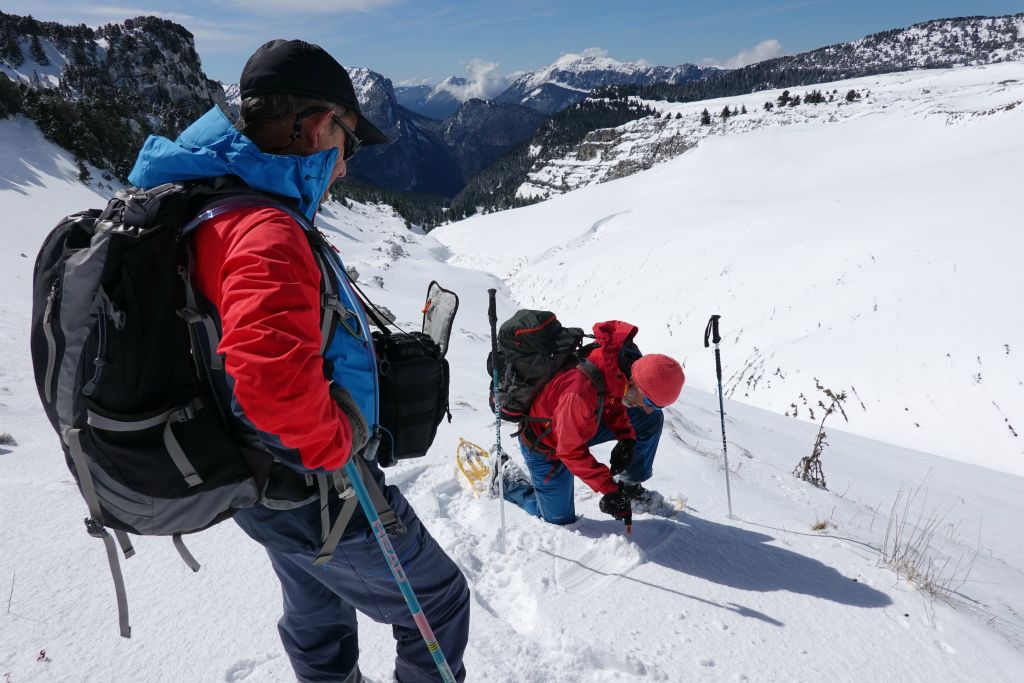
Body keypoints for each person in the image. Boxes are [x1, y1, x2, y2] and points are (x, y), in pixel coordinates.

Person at [126, 39, 470, 682]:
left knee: (319, 608)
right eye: (349, 141)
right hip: (319, 488)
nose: (344, 166)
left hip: (263, 482)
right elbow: (271, 381)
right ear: (315, 125)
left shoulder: (210, 205)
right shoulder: (265, 231)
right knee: (438, 600)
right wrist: (339, 439)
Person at [498, 321, 685, 525]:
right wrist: (609, 489)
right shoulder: (579, 393)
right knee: (558, 519)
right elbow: (568, 450)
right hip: (546, 445)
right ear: (635, 383)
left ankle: (630, 489)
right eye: (649, 401)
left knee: (648, 419)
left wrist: (626, 438)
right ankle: (507, 482)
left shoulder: (618, 367)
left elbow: (612, 402)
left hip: (577, 427)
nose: (649, 407)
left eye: (657, 405)